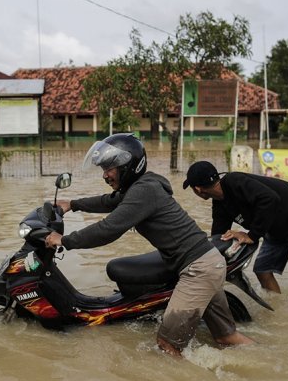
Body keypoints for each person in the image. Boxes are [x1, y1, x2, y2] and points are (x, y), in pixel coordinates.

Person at [44, 134, 254, 356]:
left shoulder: (144, 191)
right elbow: (109, 201)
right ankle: (270, 359)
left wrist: (64, 240)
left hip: (197, 271)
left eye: (109, 168)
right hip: (207, 263)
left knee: (167, 346)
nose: (105, 175)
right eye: (103, 169)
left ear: (128, 166)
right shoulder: (142, 186)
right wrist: (73, 204)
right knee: (226, 337)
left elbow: (108, 229)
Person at [183, 161, 288, 312]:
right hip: (275, 227)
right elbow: (218, 237)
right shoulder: (220, 205)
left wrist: (252, 235)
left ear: (197, 189)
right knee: (262, 270)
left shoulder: (235, 181)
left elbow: (270, 199)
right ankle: (277, 312)